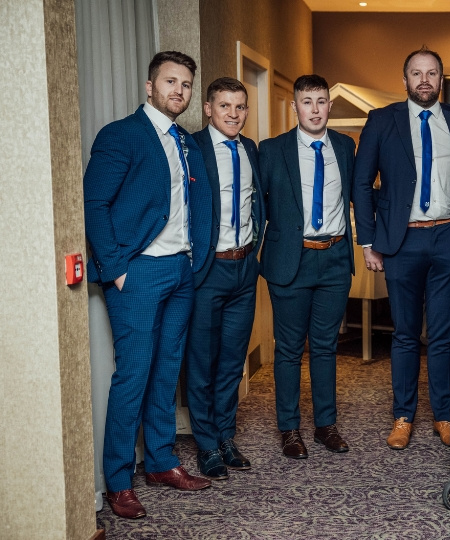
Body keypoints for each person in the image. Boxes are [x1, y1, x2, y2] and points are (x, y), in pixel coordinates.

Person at [83, 51, 213, 519]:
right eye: (170, 82)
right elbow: (95, 203)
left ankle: (160, 462)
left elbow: (193, 204)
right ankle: (118, 480)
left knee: (166, 371)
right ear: (149, 86)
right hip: (137, 273)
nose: (179, 91)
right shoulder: (121, 135)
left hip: (180, 272)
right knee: (133, 375)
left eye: (185, 85)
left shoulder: (185, 142)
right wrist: (117, 267)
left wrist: (195, 261)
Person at [353, 46, 450, 450]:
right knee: (406, 334)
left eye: (431, 73)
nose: (424, 80)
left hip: (449, 237)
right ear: (405, 79)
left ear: (441, 80)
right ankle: (403, 415)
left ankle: (445, 415)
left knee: (443, 336)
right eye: (416, 73)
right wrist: (369, 240)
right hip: (402, 240)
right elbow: (361, 184)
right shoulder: (380, 121)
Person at [258, 74, 355, 459]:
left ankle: (325, 426)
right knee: (289, 349)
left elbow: (359, 194)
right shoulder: (271, 150)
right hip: (290, 260)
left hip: (333, 258)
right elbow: (257, 206)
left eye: (321, 101)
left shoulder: (346, 147)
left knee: (326, 347)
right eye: (307, 102)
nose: (315, 109)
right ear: (294, 107)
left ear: (329, 106)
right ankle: (289, 429)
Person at [186, 77, 265, 479]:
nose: (233, 114)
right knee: (202, 361)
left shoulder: (250, 148)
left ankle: (225, 436)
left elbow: (258, 206)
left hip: (244, 268)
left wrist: (257, 253)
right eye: (225, 106)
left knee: (233, 361)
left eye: (240, 107)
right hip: (207, 269)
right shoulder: (192, 148)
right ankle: (205, 444)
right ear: (208, 108)